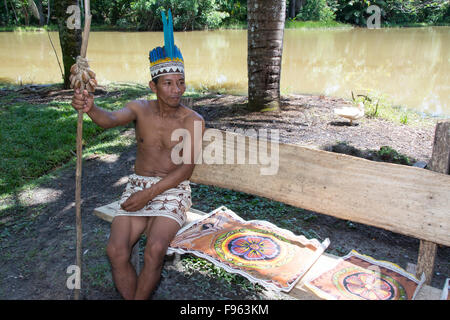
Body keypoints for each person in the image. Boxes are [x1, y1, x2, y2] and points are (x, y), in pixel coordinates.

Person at [71, 10, 205, 300]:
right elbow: (108, 119)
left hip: (173, 190)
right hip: (138, 185)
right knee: (116, 251)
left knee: (156, 249)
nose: (176, 89)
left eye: (180, 82)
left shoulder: (192, 120)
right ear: (152, 86)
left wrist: (149, 195)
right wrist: (90, 107)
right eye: (168, 83)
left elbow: (185, 171)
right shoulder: (138, 109)